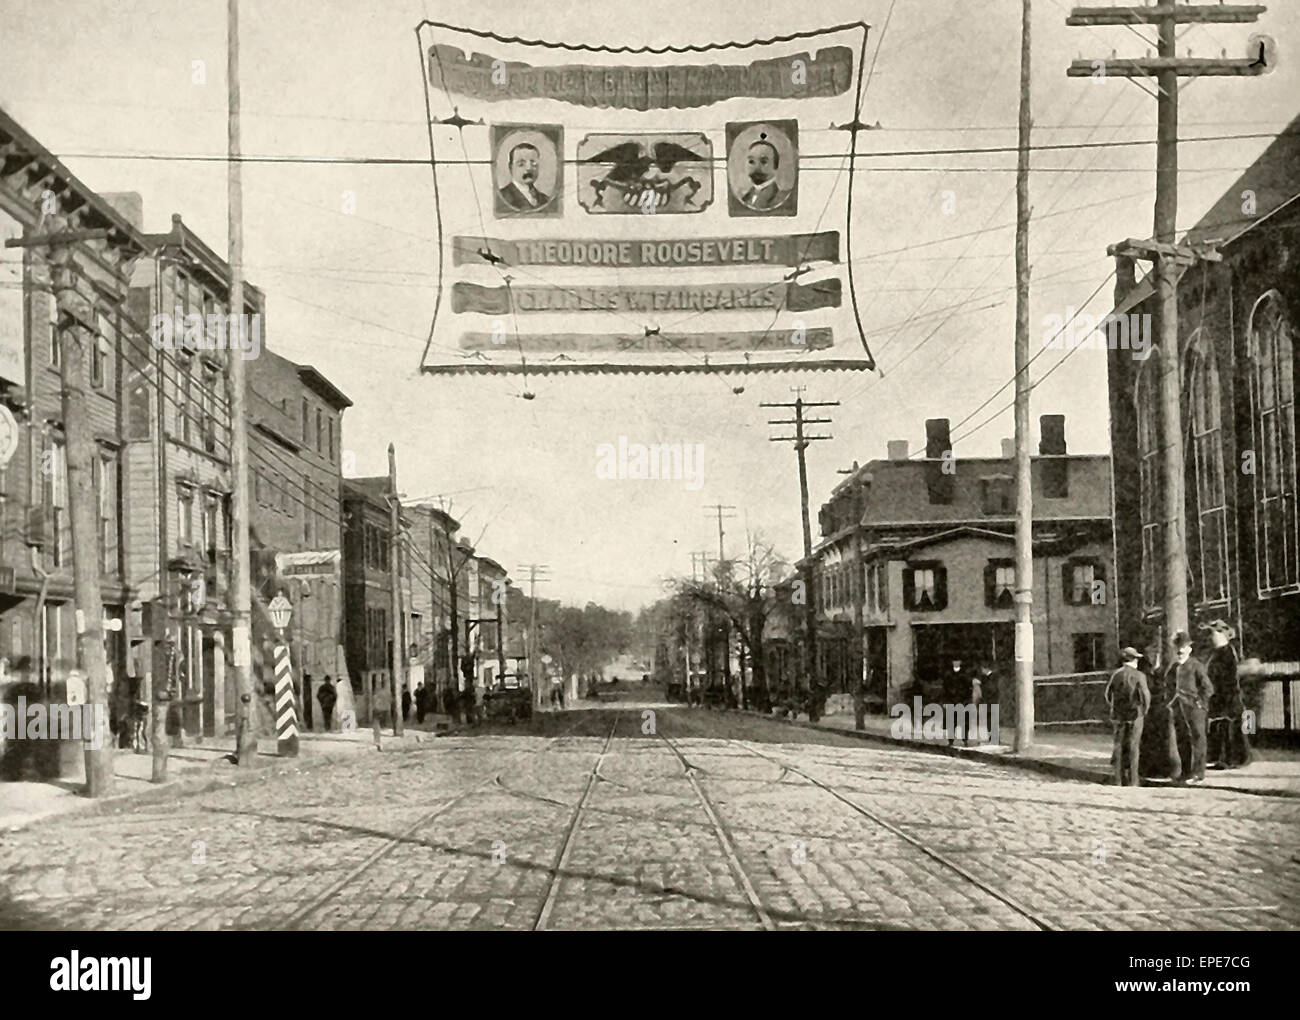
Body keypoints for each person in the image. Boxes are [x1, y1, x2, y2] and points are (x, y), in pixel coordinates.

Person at [1165, 631, 1214, 785]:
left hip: (1195, 709)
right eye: (1177, 648)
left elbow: (1208, 688)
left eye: (1183, 647)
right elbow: (1167, 686)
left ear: (1189, 649)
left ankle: (1198, 774)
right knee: (1182, 740)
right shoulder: (1173, 668)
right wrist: (1169, 702)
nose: (1180, 651)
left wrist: (1200, 703)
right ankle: (1185, 772)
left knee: (1198, 740)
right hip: (1178, 708)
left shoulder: (1196, 666)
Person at [1204, 620, 1252, 769]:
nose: (1211, 638)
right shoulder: (1217, 653)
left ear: (1221, 635)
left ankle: (1232, 759)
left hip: (1227, 695)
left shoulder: (1226, 652)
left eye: (1213, 634)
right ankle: (1224, 758)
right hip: (1220, 695)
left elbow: (1228, 678)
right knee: (1222, 727)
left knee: (1230, 727)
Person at [1105, 647, 1151, 787]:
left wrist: (1114, 707)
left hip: (1118, 715)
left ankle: (1118, 779)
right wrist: (1144, 711)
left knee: (1118, 745)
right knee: (1133, 746)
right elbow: (1145, 696)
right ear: (1134, 660)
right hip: (1135, 715)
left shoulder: (1116, 675)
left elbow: (1107, 695)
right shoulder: (1139, 676)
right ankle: (1133, 780)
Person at [739, 137, 790, 211]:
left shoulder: (781, 198)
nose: (757, 167)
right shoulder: (745, 198)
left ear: (775, 165)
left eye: (763, 162)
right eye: (751, 161)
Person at [498, 142, 551, 212]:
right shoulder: (502, 198)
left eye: (533, 163)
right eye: (521, 164)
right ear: (510, 167)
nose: (529, 168)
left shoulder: (545, 200)